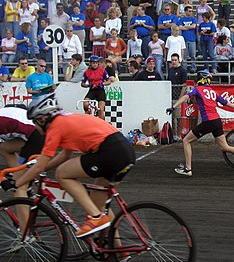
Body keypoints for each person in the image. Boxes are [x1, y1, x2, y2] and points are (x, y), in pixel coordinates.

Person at [5, 93, 136, 239]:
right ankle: (117, 251)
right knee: (98, 202)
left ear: (42, 119)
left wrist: (17, 183)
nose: (34, 126)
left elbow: (40, 165)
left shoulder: (55, 127)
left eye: (34, 122)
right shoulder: (66, 120)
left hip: (110, 152)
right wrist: (41, 169)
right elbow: (64, 155)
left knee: (62, 174)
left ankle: (95, 218)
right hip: (125, 152)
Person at [166, 70, 234, 177]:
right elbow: (226, 103)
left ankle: (188, 168)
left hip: (208, 121)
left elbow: (185, 97)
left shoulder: (197, 89)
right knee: (225, 147)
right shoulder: (213, 91)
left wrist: (173, 107)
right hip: (217, 121)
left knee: (186, 141)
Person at [80, 55, 111, 120]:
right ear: (91, 63)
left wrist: (102, 84)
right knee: (85, 103)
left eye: (96, 63)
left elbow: (109, 81)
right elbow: (82, 83)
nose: (95, 64)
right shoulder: (87, 72)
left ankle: (102, 124)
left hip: (100, 90)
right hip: (92, 90)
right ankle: (88, 112)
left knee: (101, 109)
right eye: (93, 63)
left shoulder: (102, 71)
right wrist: (88, 85)